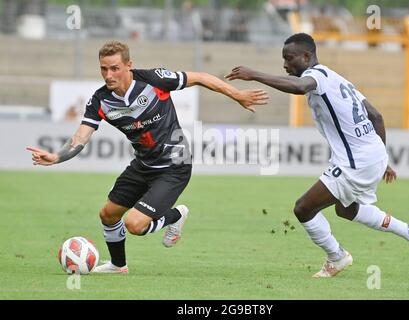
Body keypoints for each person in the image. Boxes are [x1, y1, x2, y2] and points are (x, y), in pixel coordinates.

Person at [27, 40, 268, 274]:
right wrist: (57, 157)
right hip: (143, 165)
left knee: (134, 224)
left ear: (128, 65)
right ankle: (117, 266)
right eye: (103, 69)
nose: (108, 74)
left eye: (114, 68)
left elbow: (201, 77)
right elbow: (81, 136)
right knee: (108, 214)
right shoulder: (101, 100)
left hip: (174, 166)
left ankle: (177, 214)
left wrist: (237, 95)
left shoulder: (154, 80)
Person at [226, 33, 409, 278]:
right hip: (371, 154)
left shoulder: (316, 77)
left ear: (307, 56)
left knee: (303, 208)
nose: (285, 65)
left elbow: (299, 87)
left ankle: (337, 257)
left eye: (289, 58)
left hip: (356, 161)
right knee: (346, 210)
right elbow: (376, 116)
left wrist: (255, 74)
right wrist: (383, 159)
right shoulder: (337, 78)